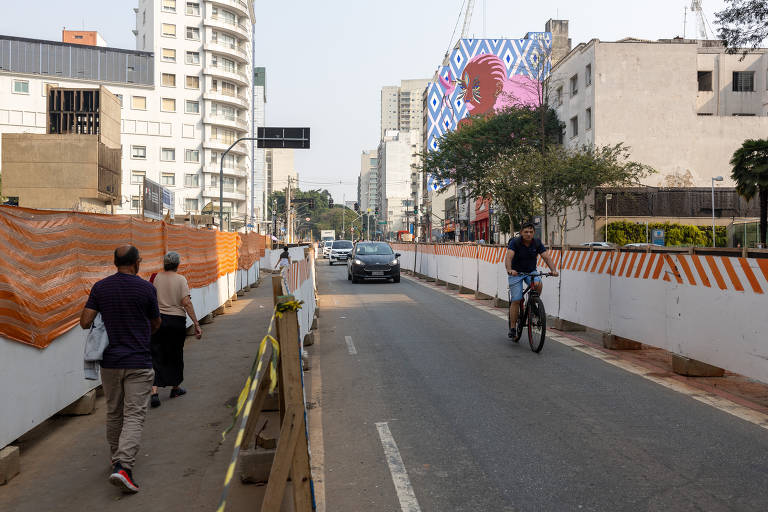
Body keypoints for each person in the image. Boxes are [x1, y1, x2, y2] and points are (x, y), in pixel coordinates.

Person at [79, 246, 161, 494]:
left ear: (115, 263)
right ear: (137, 262)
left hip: (111, 363)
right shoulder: (147, 288)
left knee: (115, 412)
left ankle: (116, 459)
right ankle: (124, 466)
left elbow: (84, 322)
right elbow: (156, 322)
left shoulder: (100, 288)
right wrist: (143, 332)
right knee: (134, 415)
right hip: (138, 361)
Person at [149, 251, 202, 408]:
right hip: (176, 322)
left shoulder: (155, 277)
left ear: (164, 264)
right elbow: (186, 302)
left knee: (156, 354)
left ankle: (154, 392)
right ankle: (175, 388)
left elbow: (150, 297)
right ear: (177, 265)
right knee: (175, 354)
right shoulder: (181, 279)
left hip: (158, 321)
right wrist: (196, 324)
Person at [504, 222, 559, 338]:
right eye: (526, 232)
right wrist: (509, 270)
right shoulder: (515, 242)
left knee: (538, 284)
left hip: (530, 272)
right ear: (521, 233)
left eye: (531, 232)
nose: (528, 234)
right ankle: (513, 328)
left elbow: (546, 257)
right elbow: (509, 257)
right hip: (516, 273)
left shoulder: (537, 243)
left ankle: (533, 303)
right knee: (517, 299)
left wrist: (553, 270)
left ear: (534, 233)